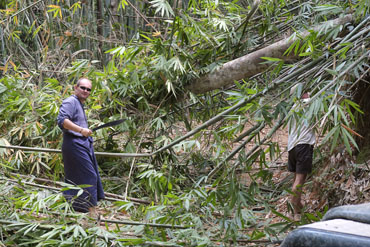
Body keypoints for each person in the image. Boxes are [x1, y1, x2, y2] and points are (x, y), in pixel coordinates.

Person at [57, 77, 104, 217]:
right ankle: (91, 212)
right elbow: (62, 120)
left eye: (88, 89)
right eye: (82, 87)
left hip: (82, 145)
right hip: (74, 145)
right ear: (75, 88)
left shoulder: (79, 103)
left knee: (77, 178)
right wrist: (81, 130)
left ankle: (75, 210)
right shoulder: (70, 101)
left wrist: (84, 131)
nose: (85, 91)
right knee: (89, 176)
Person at [287, 84, 315, 217]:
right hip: (303, 146)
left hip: (292, 147)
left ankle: (298, 206)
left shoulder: (293, 108)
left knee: (296, 179)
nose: (309, 94)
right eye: (306, 92)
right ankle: (294, 212)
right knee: (299, 180)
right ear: (302, 94)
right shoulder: (306, 103)